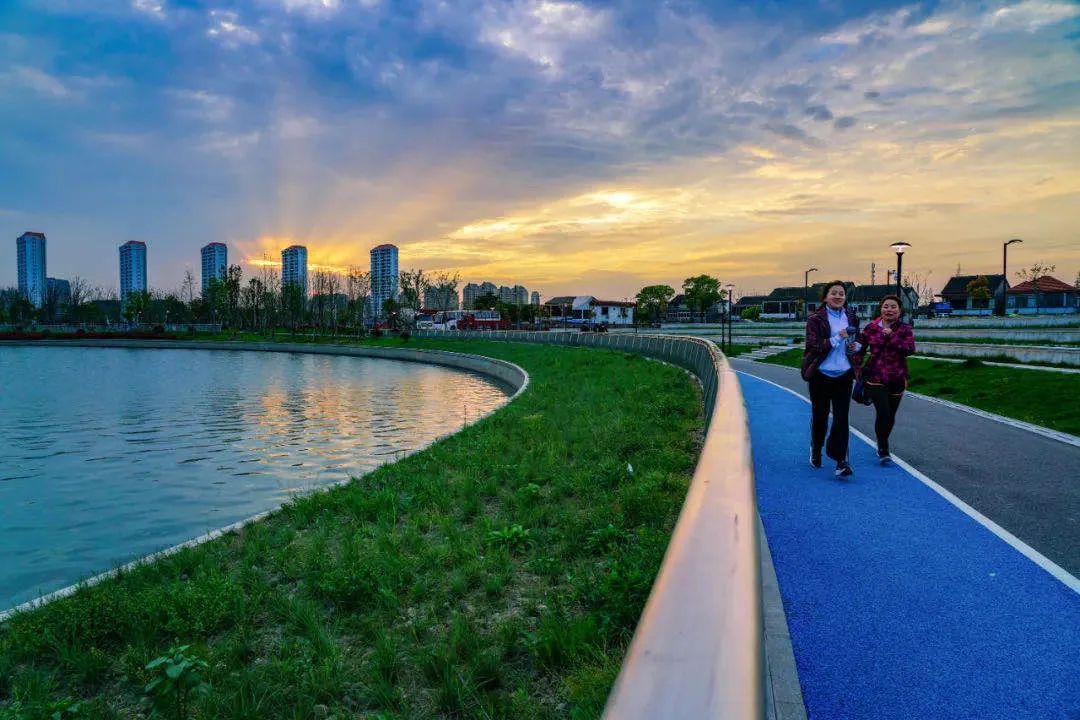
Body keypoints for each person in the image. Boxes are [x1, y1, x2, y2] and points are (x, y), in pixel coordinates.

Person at [801, 281, 863, 477]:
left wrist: (855, 346)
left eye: (841, 294)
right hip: (821, 374)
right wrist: (838, 337)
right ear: (825, 297)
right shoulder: (815, 319)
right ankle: (816, 448)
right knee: (820, 417)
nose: (838, 296)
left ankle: (841, 461)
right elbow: (814, 345)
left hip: (844, 374)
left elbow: (858, 339)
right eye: (834, 293)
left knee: (841, 419)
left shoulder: (851, 316)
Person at [858, 295, 916, 464]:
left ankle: (882, 441)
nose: (889, 310)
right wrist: (855, 364)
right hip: (875, 377)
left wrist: (892, 336)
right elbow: (860, 348)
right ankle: (883, 448)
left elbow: (909, 349)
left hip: (897, 377)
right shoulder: (871, 327)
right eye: (886, 306)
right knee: (883, 412)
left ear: (899, 311)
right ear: (881, 309)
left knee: (890, 415)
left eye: (893, 307)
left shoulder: (904, 329)